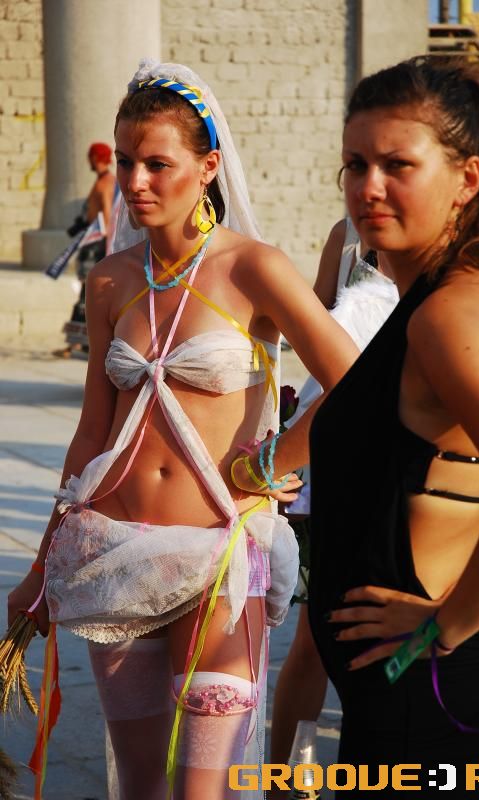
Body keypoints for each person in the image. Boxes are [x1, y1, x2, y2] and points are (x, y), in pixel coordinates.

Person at [7, 60, 357, 800]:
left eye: (157, 164)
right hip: (115, 552)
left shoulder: (253, 268)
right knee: (139, 783)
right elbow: (92, 435)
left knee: (205, 789)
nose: (135, 182)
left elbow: (354, 380)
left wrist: (272, 462)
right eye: (126, 161)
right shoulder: (109, 279)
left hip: (220, 555)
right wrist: (41, 567)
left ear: (208, 168)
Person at [307, 56, 479, 797]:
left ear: (466, 179)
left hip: (425, 701)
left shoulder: (446, 316)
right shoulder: (451, 296)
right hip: (414, 697)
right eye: (355, 164)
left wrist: (448, 626)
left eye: (397, 165)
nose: (367, 187)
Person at [269, 221, 398, 780]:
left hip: (413, 468)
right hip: (337, 453)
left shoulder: (461, 241)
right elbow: (312, 321)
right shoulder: (347, 237)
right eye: (357, 177)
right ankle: (285, 782)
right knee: (315, 638)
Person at [55, 142, 116, 357]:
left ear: (96, 158)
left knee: (87, 294)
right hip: (93, 242)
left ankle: (76, 345)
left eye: (90, 156)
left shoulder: (106, 183)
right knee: (88, 293)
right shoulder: (103, 180)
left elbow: (107, 216)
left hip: (97, 245)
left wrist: (106, 249)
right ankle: (81, 343)